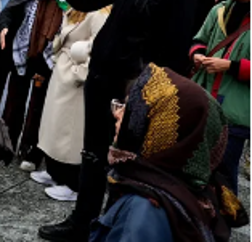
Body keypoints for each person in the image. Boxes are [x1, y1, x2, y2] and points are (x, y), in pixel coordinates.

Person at [39, 0, 198, 242]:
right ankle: (82, 222)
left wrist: (140, 97)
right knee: (92, 154)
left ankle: (115, 228)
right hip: (101, 76)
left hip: (136, 91)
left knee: (125, 163)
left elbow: (172, 56)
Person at [94, 63, 247, 242]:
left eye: (130, 109)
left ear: (161, 133)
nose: (117, 114)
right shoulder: (195, 191)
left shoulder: (142, 211)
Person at [33, 0, 110, 203]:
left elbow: (98, 49)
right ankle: (55, 170)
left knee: (70, 132)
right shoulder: (75, 10)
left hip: (75, 79)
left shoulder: (98, 14)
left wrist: (79, 74)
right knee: (55, 125)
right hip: (63, 71)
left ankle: (72, 182)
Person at [190, 0, 249, 194]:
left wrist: (231, 66)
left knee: (224, 170)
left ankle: (224, 221)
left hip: (236, 109)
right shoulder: (220, 9)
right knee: (196, 164)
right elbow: (199, 40)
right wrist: (197, 55)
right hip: (204, 99)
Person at [0, 0, 63, 169]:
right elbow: (9, 10)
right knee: (14, 99)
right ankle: (6, 145)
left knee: (39, 105)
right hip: (22, 52)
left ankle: (31, 151)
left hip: (48, 57)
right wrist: (5, 26)